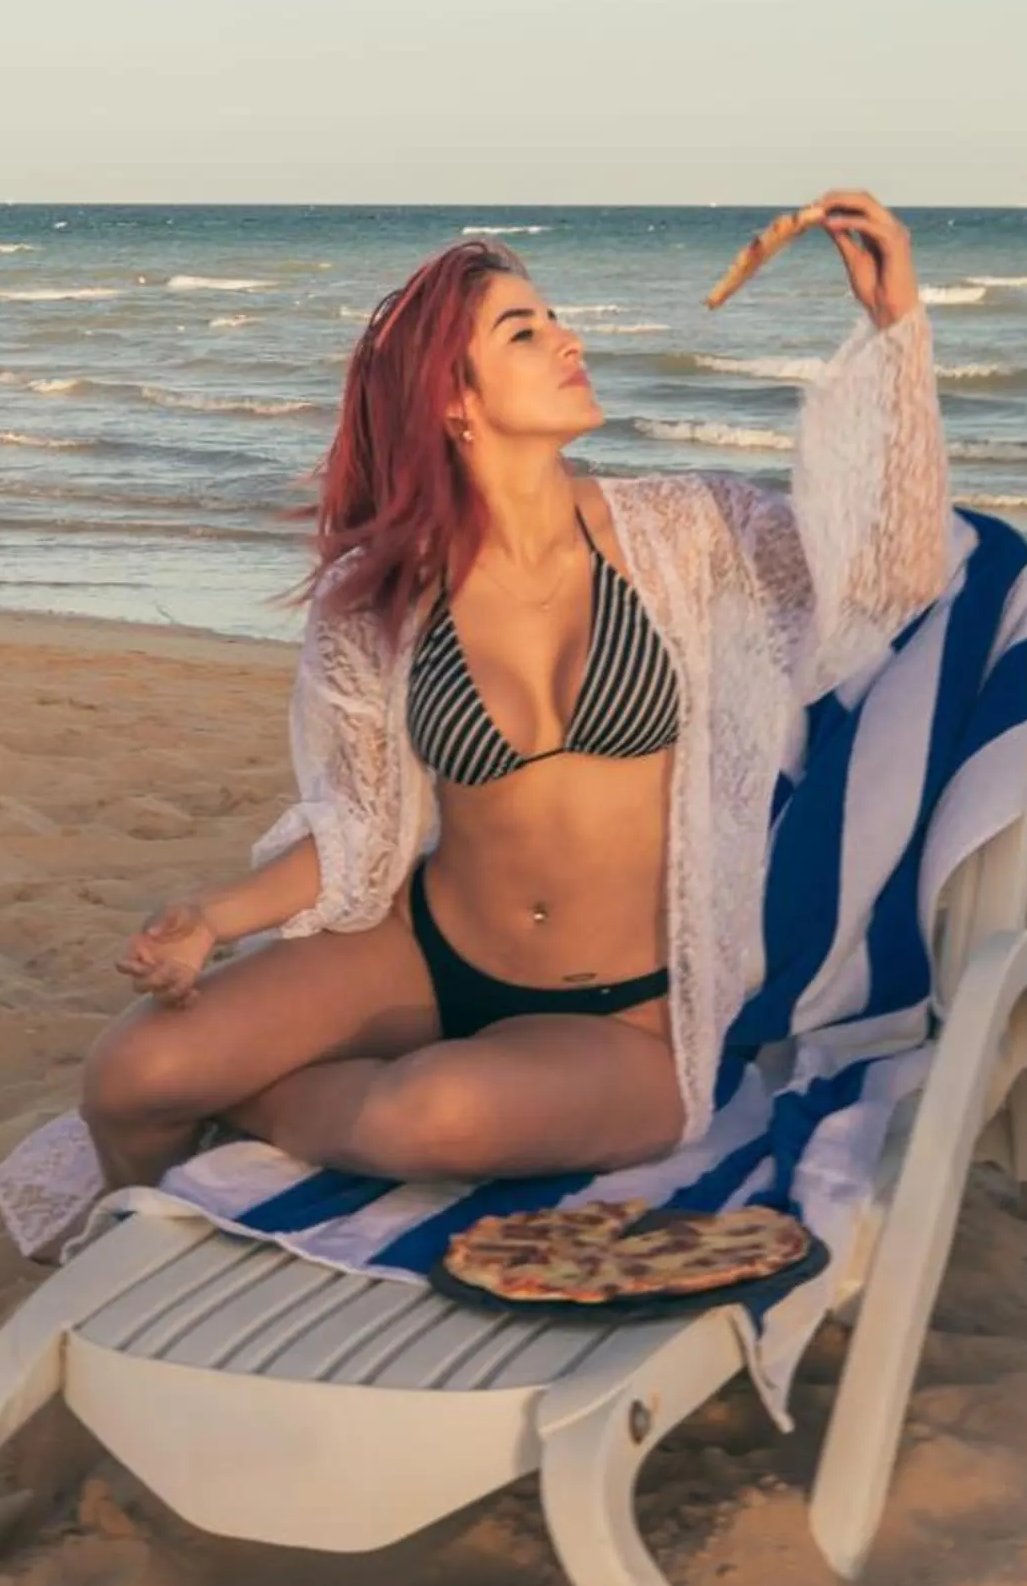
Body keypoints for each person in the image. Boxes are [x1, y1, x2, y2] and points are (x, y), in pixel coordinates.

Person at [80, 191, 952, 1197]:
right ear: (452, 401)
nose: (565, 337)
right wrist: (208, 919)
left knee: (427, 1114)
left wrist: (894, 332)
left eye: (553, 319)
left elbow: (890, 574)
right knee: (132, 1072)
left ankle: (246, 1113)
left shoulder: (690, 532)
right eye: (522, 331)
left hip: (621, 1016)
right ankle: (120, 1223)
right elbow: (360, 823)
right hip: (419, 955)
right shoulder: (382, 593)